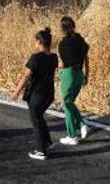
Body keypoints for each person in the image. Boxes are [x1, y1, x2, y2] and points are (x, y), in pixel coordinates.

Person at [13, 27, 58, 160]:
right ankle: (48, 142)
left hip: (37, 95)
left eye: (35, 41)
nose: (34, 44)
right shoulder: (54, 57)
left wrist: (16, 91)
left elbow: (26, 76)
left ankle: (41, 151)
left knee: (36, 121)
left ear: (39, 41)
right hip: (49, 94)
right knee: (39, 117)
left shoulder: (35, 58)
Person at [57, 16, 90, 146]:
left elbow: (62, 64)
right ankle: (80, 126)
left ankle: (73, 134)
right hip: (79, 75)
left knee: (67, 104)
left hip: (68, 74)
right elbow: (86, 58)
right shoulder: (81, 40)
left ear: (62, 29)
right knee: (70, 103)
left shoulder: (63, 43)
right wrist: (86, 75)